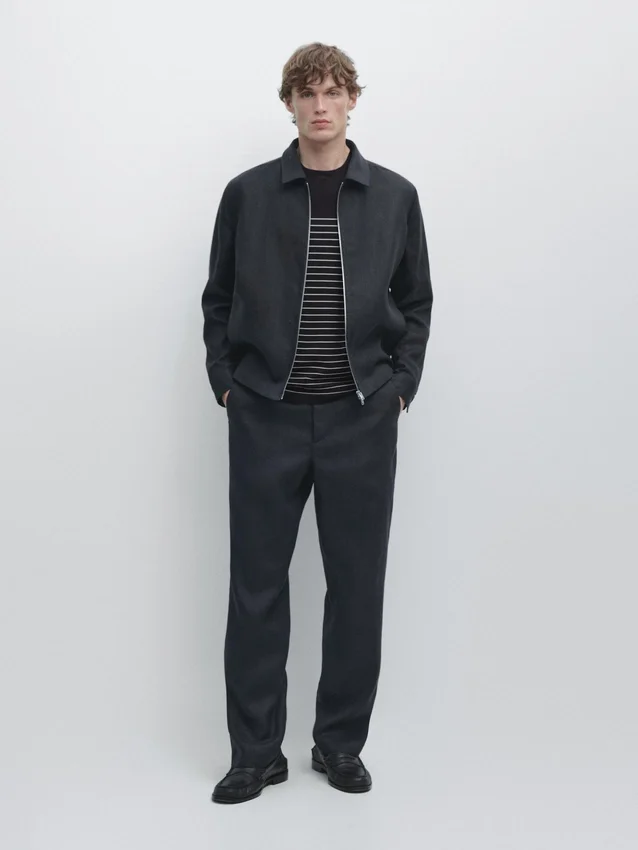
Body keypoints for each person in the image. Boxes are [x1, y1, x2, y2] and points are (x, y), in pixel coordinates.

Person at [202, 42, 433, 804]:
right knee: (256, 589)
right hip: (264, 415)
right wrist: (228, 386)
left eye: (334, 91)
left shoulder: (395, 196)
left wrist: (400, 387)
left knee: (357, 589)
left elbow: (417, 302)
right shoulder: (247, 194)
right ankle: (255, 754)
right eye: (307, 92)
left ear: (352, 100)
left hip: (359, 419)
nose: (321, 104)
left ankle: (338, 745)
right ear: (290, 104)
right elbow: (217, 298)